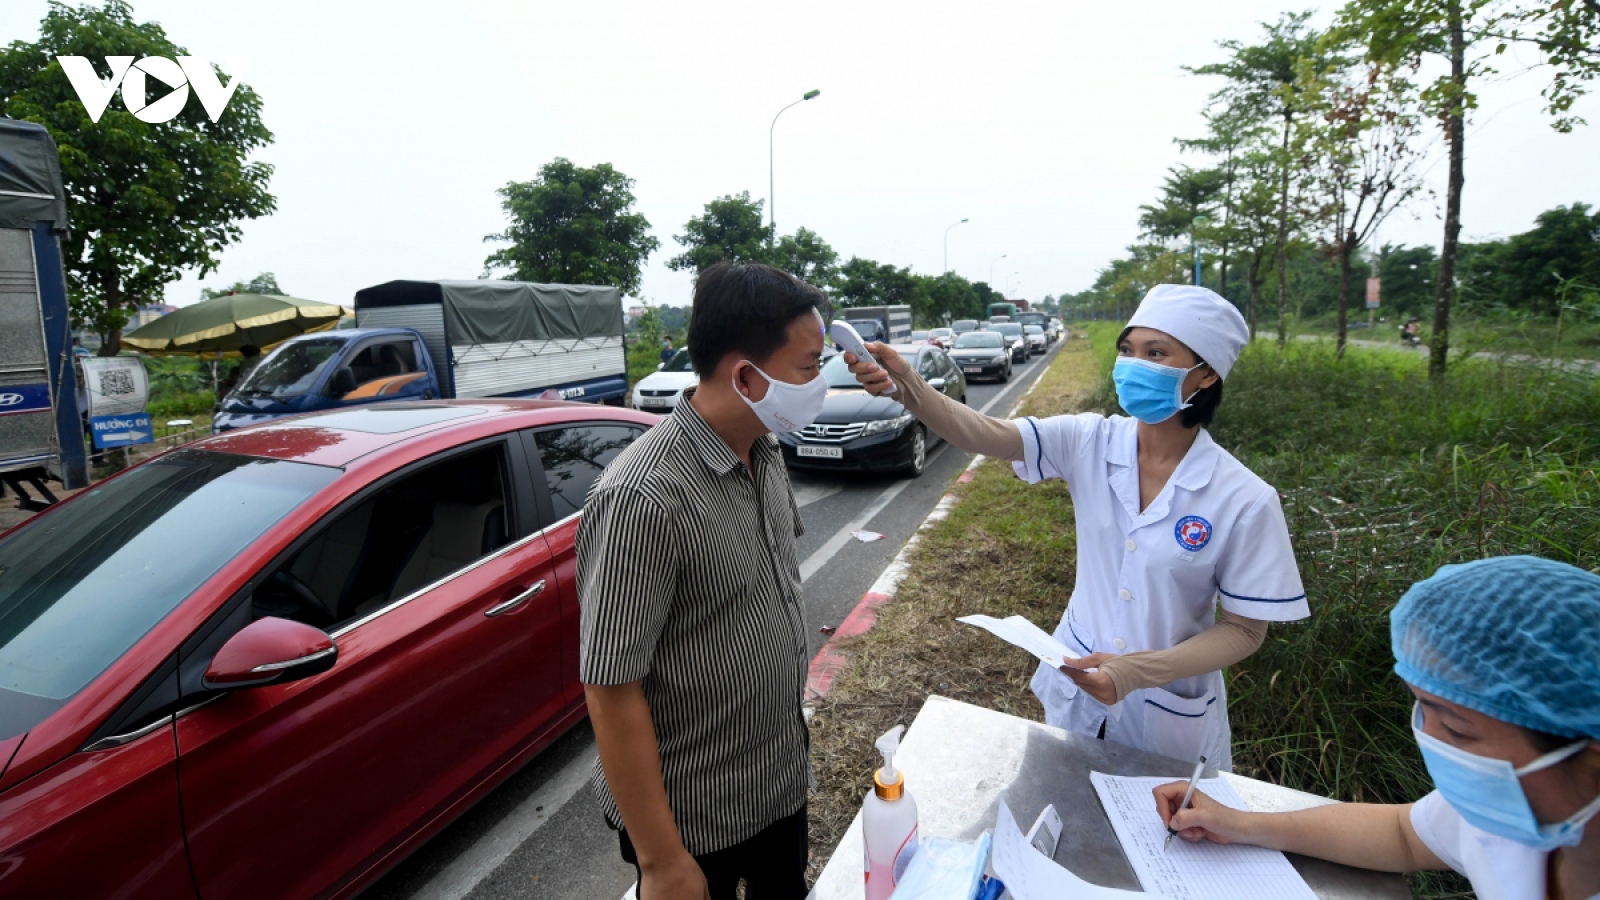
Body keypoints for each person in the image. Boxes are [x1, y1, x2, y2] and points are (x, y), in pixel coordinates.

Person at [846, 285, 1308, 770]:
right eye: (1127, 351)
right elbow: (986, 433)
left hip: (1169, 709)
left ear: (1206, 373)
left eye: (1156, 353)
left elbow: (1243, 631)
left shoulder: (1244, 497)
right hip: (1076, 684)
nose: (1134, 365)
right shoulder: (1091, 440)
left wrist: (1139, 671)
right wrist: (908, 386)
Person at [578, 261, 827, 900]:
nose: (819, 383)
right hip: (695, 816)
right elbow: (610, 687)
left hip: (777, 783)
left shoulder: (764, 450)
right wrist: (662, 862)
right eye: (809, 367)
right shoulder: (644, 497)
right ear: (747, 376)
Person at [1156, 556, 1600, 900]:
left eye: (1457, 728)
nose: (1430, 737)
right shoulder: (1510, 813)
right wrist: (1240, 824)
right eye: (1423, 710)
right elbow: (1402, 834)